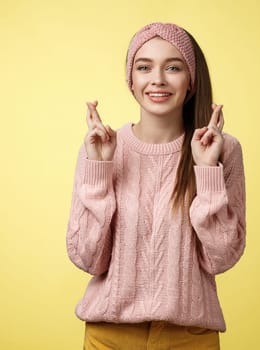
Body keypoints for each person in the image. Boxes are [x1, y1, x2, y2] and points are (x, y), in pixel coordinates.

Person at [65, 22, 246, 349]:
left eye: (173, 67)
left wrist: (206, 171)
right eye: (144, 67)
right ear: (130, 80)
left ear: (191, 79)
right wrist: (100, 169)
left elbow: (222, 258)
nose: (157, 79)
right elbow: (88, 259)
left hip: (190, 339)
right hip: (109, 336)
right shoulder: (100, 148)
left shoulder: (221, 149)